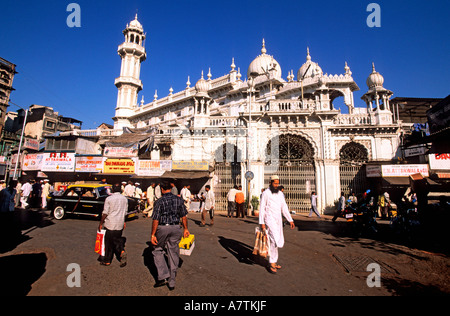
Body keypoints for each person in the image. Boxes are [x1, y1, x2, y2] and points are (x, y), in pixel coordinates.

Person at [151, 181, 189, 291]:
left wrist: (153, 234)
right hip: (176, 227)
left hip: (163, 228)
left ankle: (163, 275)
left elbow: (156, 219)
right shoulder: (179, 200)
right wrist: (186, 229)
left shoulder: (159, 201)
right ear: (171, 189)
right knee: (173, 252)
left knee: (157, 249)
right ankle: (172, 281)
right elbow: (184, 216)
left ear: (162, 189)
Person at [259, 175, 295, 274]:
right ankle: (272, 263)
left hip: (278, 220)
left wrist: (290, 220)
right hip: (269, 220)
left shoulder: (280, 194)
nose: (276, 185)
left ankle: (274, 261)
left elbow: (284, 207)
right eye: (275, 183)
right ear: (270, 183)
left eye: (277, 183)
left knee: (277, 241)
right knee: (274, 240)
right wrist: (262, 223)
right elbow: (262, 208)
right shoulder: (265, 193)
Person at [98, 183, 128, 267]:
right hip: (120, 224)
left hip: (110, 224)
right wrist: (124, 222)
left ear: (112, 190)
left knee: (108, 243)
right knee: (117, 240)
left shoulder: (109, 199)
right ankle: (121, 251)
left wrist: (101, 223)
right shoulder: (124, 199)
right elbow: (125, 212)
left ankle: (107, 260)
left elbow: (105, 213)